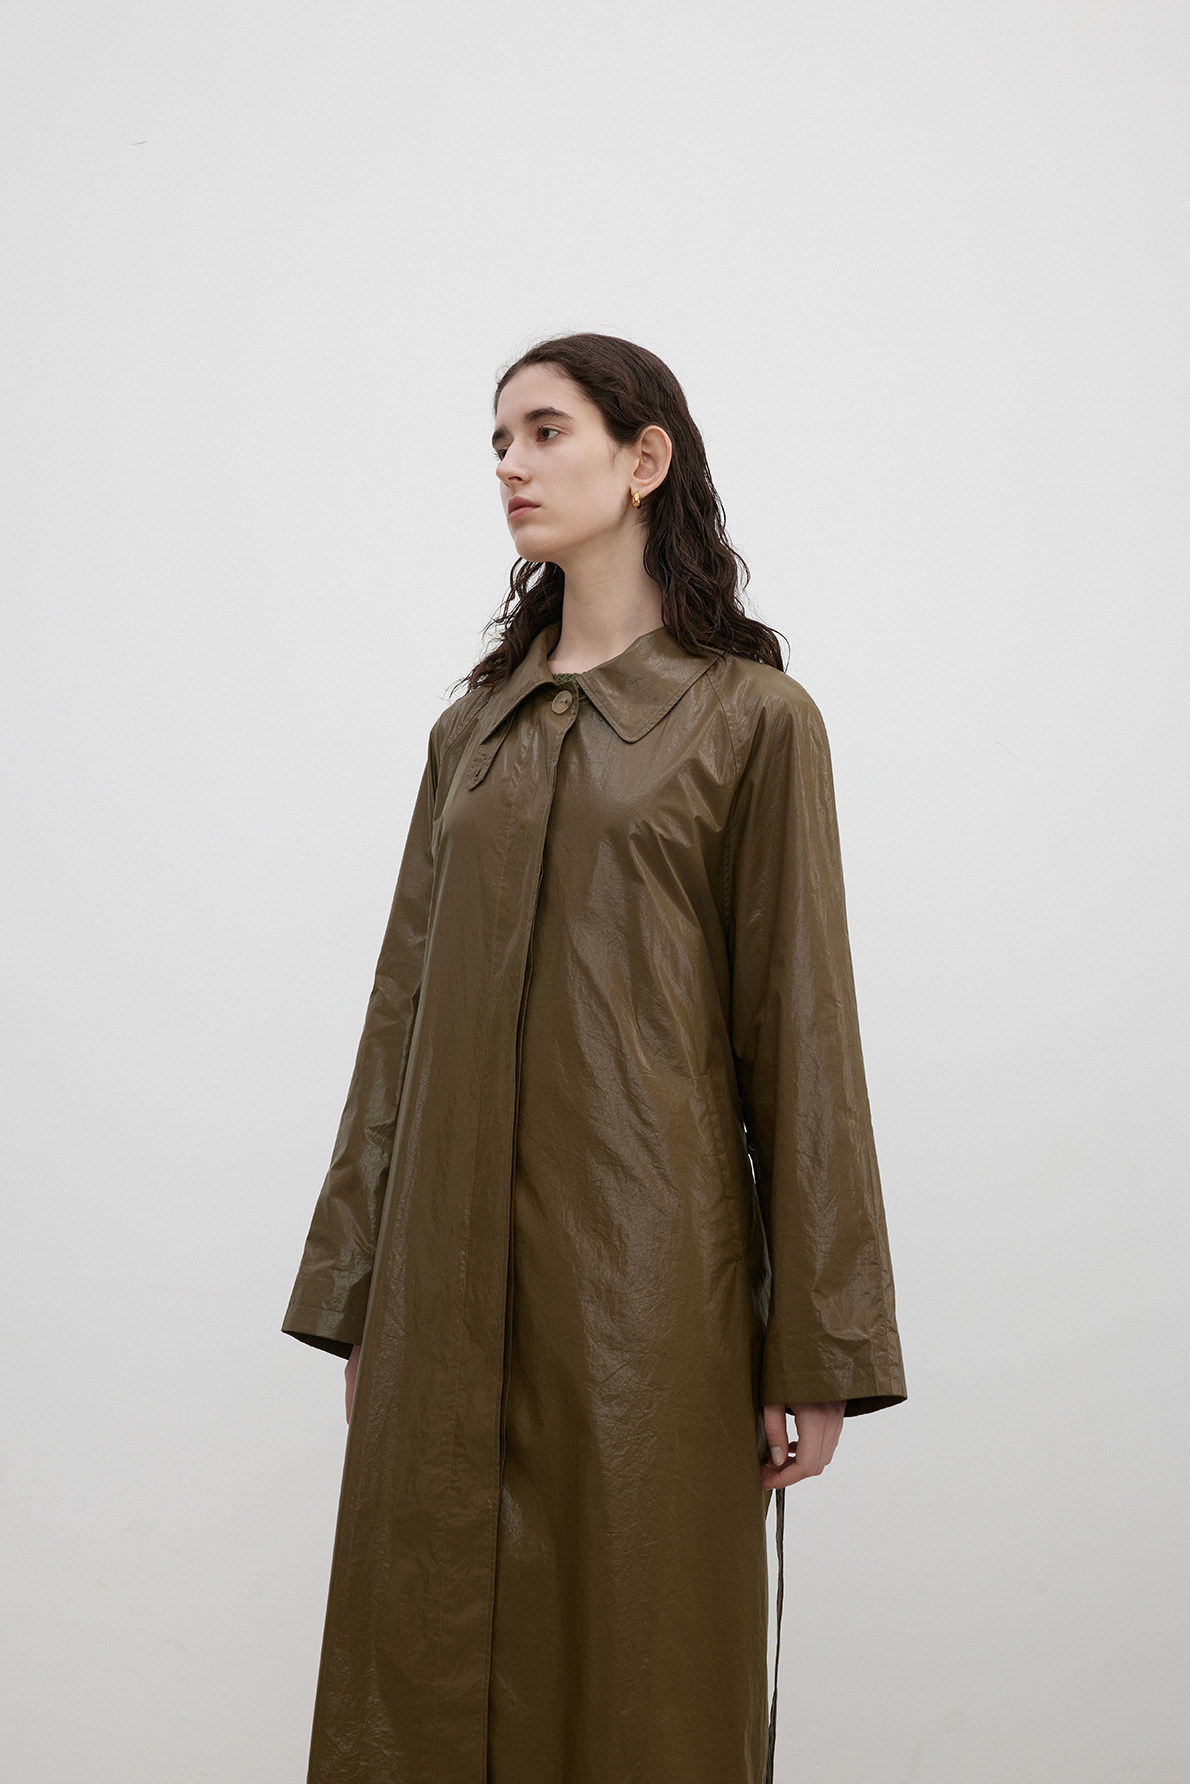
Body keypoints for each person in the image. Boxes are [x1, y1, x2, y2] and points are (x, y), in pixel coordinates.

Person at [282, 331, 906, 1784]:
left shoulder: (754, 721)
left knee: (641, 1664)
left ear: (644, 460)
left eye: (544, 431)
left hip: (649, 1290)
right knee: (421, 1669)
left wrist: (817, 1345)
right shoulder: (469, 736)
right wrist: (363, 1299)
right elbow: (399, 1018)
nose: (509, 463)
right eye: (497, 440)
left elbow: (803, 1034)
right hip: (441, 1284)